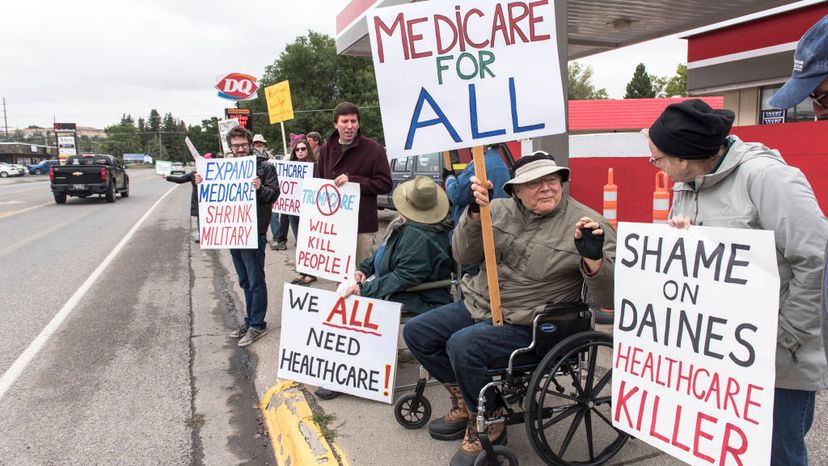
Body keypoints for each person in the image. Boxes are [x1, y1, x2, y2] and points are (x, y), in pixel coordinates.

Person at [402, 154, 615, 466]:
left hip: (533, 323)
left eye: (552, 180)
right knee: (417, 332)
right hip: (481, 303)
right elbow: (462, 252)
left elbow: (611, 293)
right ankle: (468, 401)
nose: (546, 188)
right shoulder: (497, 209)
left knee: (462, 345)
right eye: (535, 183)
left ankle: (492, 420)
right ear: (515, 190)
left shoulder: (588, 224)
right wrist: (474, 214)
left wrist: (593, 261)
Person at [647, 98, 828, 466]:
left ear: (683, 158)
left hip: (779, 356)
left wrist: (788, 333)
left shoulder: (767, 178)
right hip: (721, 352)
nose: (655, 166)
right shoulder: (686, 183)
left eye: (658, 159)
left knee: (777, 453)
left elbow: (816, 260)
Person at [314, 103, 392, 400]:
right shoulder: (326, 150)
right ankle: (342, 360)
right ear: (335, 123)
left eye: (354, 121)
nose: (350, 126)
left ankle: (366, 360)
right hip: (334, 229)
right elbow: (320, 185)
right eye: (345, 121)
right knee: (339, 292)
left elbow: (384, 183)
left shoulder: (372, 149)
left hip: (361, 227)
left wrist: (354, 181)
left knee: (360, 291)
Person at [196, 127, 280, 347]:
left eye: (243, 145)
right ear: (229, 147)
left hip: (254, 232)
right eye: (235, 146)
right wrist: (201, 182)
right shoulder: (223, 167)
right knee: (244, 280)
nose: (240, 149)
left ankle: (258, 324)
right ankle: (250, 320)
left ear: (250, 144)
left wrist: (260, 188)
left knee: (255, 280)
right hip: (233, 232)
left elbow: (273, 195)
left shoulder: (264, 167)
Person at [341, 175, 453, 314]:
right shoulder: (408, 225)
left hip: (416, 297)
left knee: (346, 301)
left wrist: (365, 289)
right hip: (391, 286)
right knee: (345, 294)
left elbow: (403, 277)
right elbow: (386, 248)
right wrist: (365, 269)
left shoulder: (420, 237)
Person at [444, 146, 511, 229]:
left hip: (474, 228)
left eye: (472, 148)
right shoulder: (499, 162)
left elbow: (456, 195)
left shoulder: (480, 165)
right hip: (498, 223)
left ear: (482, 148)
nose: (471, 151)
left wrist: (449, 178)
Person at [162, 169, 199, 242]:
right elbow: (181, 179)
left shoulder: (215, 172)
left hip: (212, 202)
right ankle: (201, 235)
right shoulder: (194, 174)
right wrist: (167, 177)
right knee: (200, 219)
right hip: (198, 202)